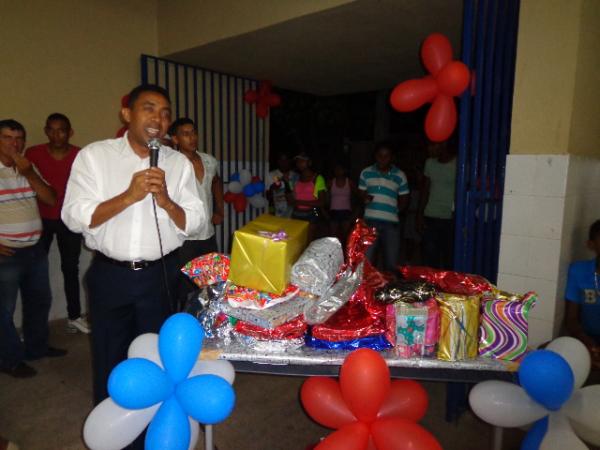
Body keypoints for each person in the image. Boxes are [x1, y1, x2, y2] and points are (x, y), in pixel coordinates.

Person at [62, 85, 205, 406]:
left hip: (161, 276)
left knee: (157, 360)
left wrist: (166, 201)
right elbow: (73, 216)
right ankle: (113, 431)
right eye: (149, 108)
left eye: (165, 112)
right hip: (111, 276)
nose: (159, 118)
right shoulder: (95, 156)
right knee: (110, 358)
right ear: (127, 114)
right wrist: (128, 196)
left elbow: (196, 221)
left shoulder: (178, 164)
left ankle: (153, 429)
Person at [0, 119, 67, 378]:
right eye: (7, 138)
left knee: (39, 301)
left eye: (19, 138)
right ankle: (9, 359)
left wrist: (28, 172)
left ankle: (36, 348)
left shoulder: (28, 167)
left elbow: (50, 198)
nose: (14, 144)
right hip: (7, 254)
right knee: (4, 311)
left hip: (34, 248)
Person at [25, 113, 89, 334]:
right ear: (46, 131)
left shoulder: (80, 155)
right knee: (34, 271)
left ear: (69, 132)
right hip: (40, 219)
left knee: (70, 268)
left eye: (61, 129)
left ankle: (73, 316)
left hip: (67, 219)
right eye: (51, 129)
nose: (56, 134)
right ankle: (34, 324)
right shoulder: (33, 154)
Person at [169, 117, 224, 307]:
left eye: (193, 132)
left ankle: (206, 319)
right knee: (185, 285)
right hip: (184, 236)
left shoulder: (209, 160)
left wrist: (219, 208)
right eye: (185, 134)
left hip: (207, 232)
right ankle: (184, 321)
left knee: (210, 280)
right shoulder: (171, 164)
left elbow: (216, 182)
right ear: (175, 139)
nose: (192, 138)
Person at [358, 142, 409, 272]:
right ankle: (369, 290)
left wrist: (397, 210)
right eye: (380, 155)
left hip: (391, 224)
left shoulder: (400, 175)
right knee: (367, 263)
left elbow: (404, 197)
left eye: (386, 156)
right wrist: (364, 198)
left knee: (391, 264)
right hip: (370, 222)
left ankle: (388, 291)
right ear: (375, 156)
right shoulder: (366, 172)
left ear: (391, 157)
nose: (383, 158)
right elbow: (361, 193)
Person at [565, 220, 600, 369]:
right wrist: (586, 341)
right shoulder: (579, 271)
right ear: (591, 245)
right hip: (588, 341)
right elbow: (571, 319)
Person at [417, 141, 456, 269]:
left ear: (443, 145)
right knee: (429, 257)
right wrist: (420, 214)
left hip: (450, 217)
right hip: (431, 215)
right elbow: (425, 190)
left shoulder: (457, 163)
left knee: (448, 257)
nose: (429, 148)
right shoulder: (429, 163)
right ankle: (431, 286)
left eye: (433, 145)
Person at [290, 152, 327, 242]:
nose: (299, 163)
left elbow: (321, 202)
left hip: (311, 213)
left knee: (308, 242)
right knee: (296, 242)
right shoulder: (295, 178)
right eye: (298, 161)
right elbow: (292, 197)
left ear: (309, 163)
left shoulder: (318, 178)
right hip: (296, 213)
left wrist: (300, 202)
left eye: (302, 161)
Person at [327, 163, 355, 246]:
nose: (338, 171)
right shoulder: (330, 182)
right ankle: (332, 254)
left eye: (340, 169)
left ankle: (345, 255)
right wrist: (324, 212)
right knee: (332, 237)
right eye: (336, 169)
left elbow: (357, 196)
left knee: (346, 236)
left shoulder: (349, 182)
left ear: (344, 171)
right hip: (333, 211)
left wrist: (354, 213)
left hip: (346, 211)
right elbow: (325, 197)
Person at [266, 152, 298, 217]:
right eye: (281, 160)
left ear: (290, 161)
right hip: (278, 213)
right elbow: (268, 196)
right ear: (278, 161)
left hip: (294, 213)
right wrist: (274, 187)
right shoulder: (272, 174)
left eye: (286, 160)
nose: (284, 163)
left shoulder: (296, 175)